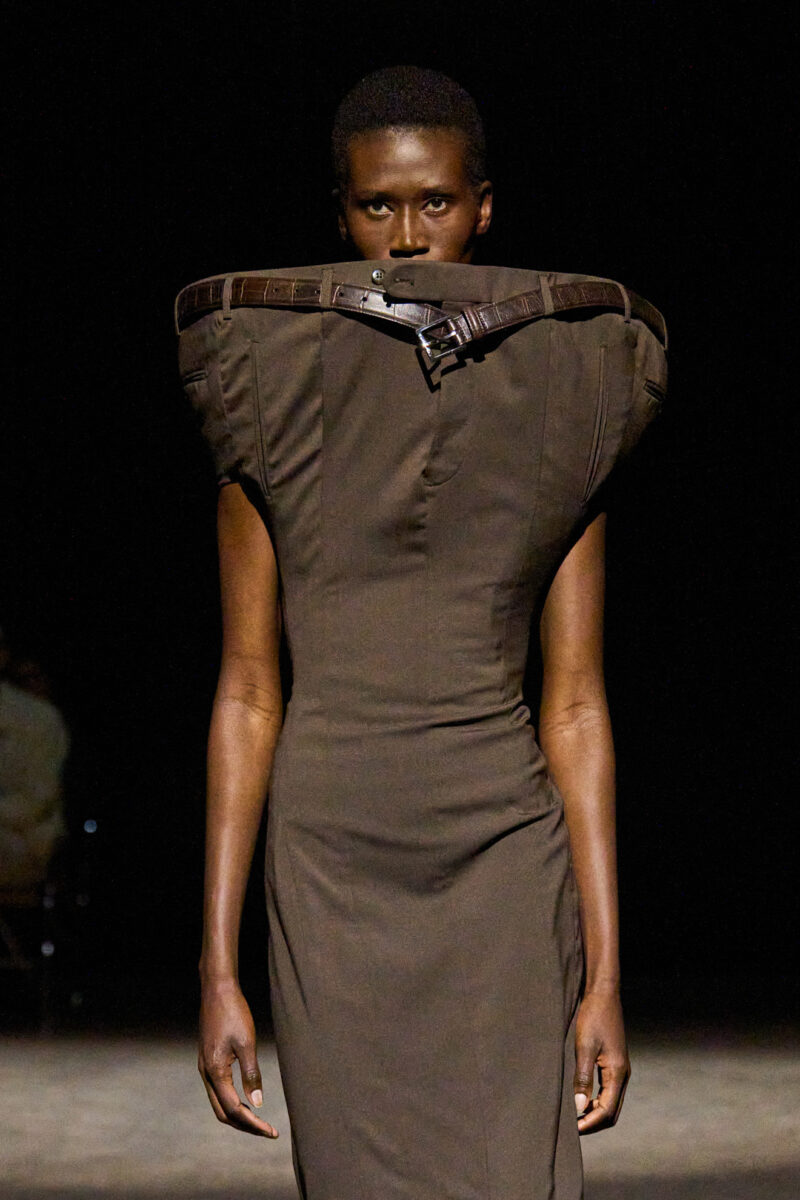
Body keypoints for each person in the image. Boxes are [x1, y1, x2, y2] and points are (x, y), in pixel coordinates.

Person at [179, 66, 666, 1199]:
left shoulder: (563, 398)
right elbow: (247, 689)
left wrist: (604, 977)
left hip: (501, 855)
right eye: (376, 206)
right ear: (340, 213)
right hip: (331, 859)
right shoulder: (266, 395)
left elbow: (575, 703)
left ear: (483, 207)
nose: (405, 238)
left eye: (434, 202)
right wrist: (216, 967)